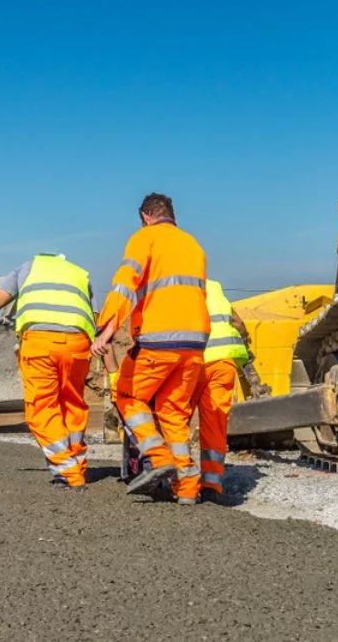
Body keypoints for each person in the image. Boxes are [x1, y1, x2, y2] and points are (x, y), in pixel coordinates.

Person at [92, 192, 209, 505]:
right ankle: (186, 489)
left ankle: (158, 458)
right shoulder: (193, 245)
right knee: (172, 413)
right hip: (195, 344)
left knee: (128, 395)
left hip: (159, 339)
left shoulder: (145, 238)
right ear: (172, 214)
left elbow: (124, 284)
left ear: (145, 216)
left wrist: (106, 328)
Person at [0, 253, 95, 489]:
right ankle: (77, 462)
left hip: (40, 343)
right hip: (79, 343)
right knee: (72, 403)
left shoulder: (26, 269)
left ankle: (68, 471)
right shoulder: (79, 272)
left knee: (42, 407)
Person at [195, 279, 252, 503]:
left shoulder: (177, 288)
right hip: (223, 364)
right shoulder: (216, 290)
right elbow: (238, 323)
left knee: (175, 418)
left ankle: (182, 484)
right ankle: (211, 485)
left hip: (193, 362)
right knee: (215, 421)